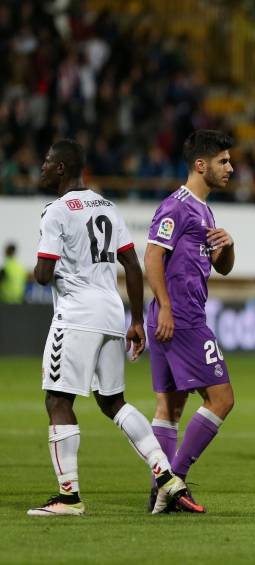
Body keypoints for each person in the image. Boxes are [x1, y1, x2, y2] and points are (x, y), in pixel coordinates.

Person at [27, 139, 200, 516]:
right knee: (113, 402)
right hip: (110, 312)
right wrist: (136, 320)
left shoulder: (55, 212)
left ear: (61, 168)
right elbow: (133, 268)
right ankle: (166, 476)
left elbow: (42, 274)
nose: (41, 167)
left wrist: (45, 265)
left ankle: (68, 497)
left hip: (75, 315)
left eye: (46, 161)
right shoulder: (107, 206)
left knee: (57, 400)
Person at [145, 129, 236, 512]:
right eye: (223, 162)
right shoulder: (177, 206)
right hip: (180, 316)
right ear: (201, 165)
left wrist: (227, 247)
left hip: (174, 315)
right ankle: (174, 479)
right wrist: (165, 306)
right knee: (222, 399)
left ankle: (160, 489)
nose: (230, 168)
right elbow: (151, 257)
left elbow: (224, 268)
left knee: (170, 407)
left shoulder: (204, 209)